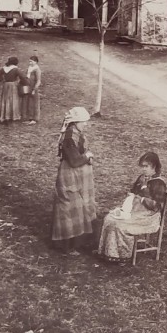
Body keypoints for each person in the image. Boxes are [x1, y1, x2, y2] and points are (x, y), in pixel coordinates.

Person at [98, 151, 167, 262]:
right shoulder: (142, 178)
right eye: (142, 166)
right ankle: (107, 252)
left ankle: (122, 256)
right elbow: (133, 191)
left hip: (148, 216)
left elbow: (156, 206)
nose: (143, 169)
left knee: (120, 225)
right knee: (109, 219)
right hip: (135, 210)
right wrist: (132, 196)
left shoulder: (159, 184)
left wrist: (142, 194)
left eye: (146, 166)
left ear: (154, 166)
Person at [52, 106, 97, 251]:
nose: (85, 124)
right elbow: (74, 161)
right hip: (70, 176)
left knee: (79, 207)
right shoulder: (70, 137)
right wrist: (88, 156)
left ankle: (77, 242)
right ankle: (66, 245)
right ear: (76, 121)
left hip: (78, 176)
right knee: (69, 208)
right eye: (83, 121)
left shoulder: (76, 133)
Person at [0, 56, 22, 122]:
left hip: (5, 85)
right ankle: (13, 116)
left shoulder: (4, 68)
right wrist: (23, 83)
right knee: (13, 99)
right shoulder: (16, 69)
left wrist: (2, 80)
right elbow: (23, 77)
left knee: (5, 99)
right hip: (13, 85)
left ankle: (5, 116)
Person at [20, 55, 42, 124]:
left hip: (33, 87)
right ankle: (28, 118)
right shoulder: (29, 68)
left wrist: (34, 89)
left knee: (33, 103)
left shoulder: (37, 70)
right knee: (27, 102)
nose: (30, 63)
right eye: (29, 61)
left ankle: (34, 119)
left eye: (31, 61)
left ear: (35, 62)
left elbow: (38, 81)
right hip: (28, 87)